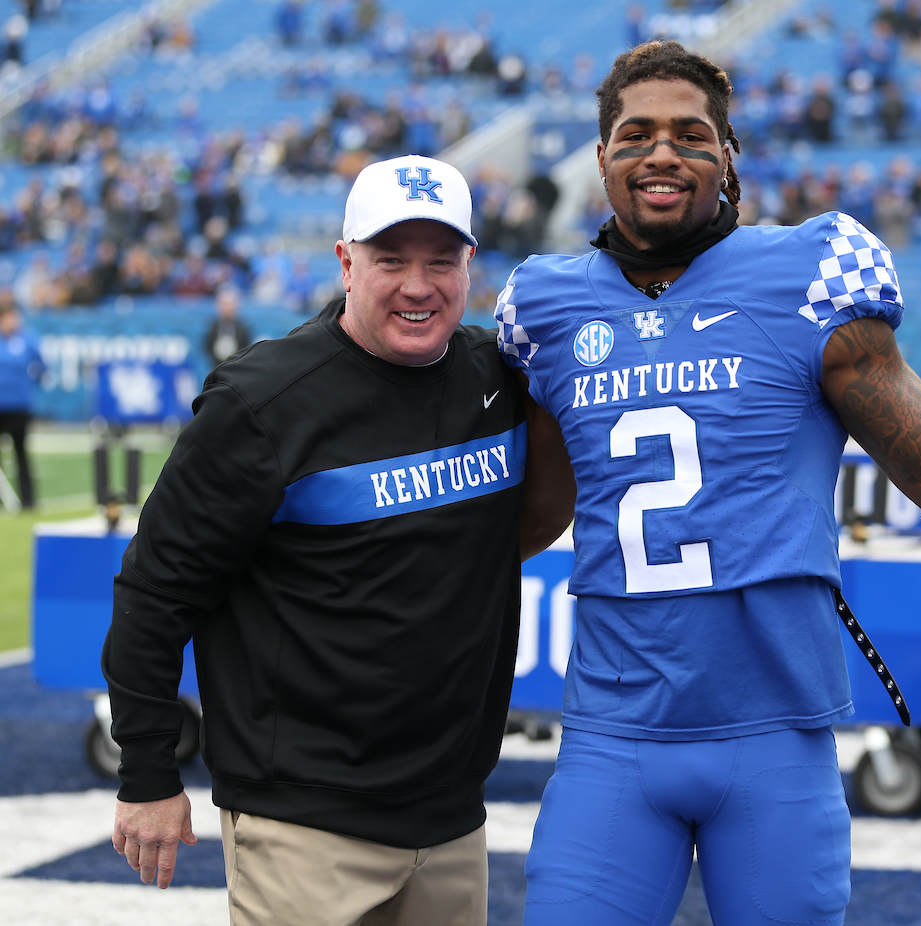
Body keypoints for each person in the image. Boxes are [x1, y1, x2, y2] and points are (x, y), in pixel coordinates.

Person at [494, 41, 921, 926]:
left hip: (775, 735)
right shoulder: (546, 306)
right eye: (635, 135)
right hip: (613, 731)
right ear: (601, 158)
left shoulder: (810, 275)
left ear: (729, 160)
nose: (662, 153)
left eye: (691, 134)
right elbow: (533, 512)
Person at [103, 154, 574, 925]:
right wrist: (148, 775)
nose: (418, 285)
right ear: (345, 263)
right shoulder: (263, 405)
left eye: (440, 260)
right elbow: (155, 593)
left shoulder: (499, 376)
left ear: (471, 265)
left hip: (453, 816)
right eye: (391, 259)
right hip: (304, 825)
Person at [0, 297, 42, 509]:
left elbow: (41, 366)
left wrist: (28, 387)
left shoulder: (27, 340)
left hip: (19, 407)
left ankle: (28, 500)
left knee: (21, 453)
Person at [204, 283, 253, 366]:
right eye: (223, 304)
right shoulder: (212, 327)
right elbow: (207, 346)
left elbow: (246, 347)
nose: (226, 307)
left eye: (229, 304)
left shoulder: (242, 328)